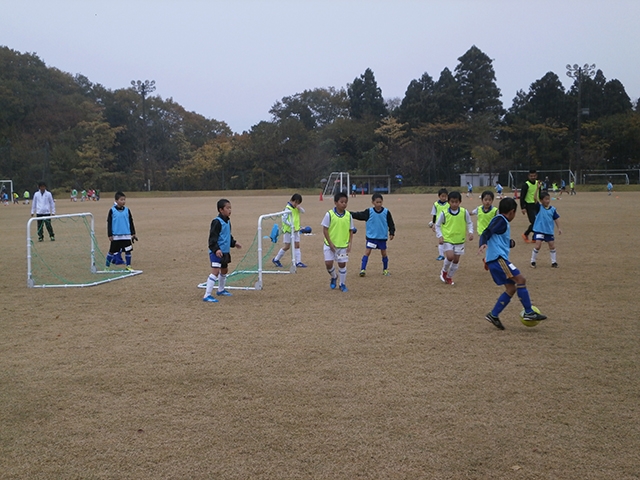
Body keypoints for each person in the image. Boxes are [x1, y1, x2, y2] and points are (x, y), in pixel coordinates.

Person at [478, 197, 548, 330]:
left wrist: (510, 243)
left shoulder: (500, 221)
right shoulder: (501, 220)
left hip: (495, 260)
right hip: (498, 260)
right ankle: (528, 312)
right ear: (512, 212)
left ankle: (494, 315)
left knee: (511, 288)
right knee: (521, 279)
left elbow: (497, 237)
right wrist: (482, 243)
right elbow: (487, 232)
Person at [203, 199, 242, 303]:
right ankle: (207, 295)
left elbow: (227, 236)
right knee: (215, 272)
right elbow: (212, 239)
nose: (230, 210)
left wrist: (234, 243)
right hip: (217, 252)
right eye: (227, 208)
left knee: (224, 270)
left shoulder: (228, 221)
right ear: (221, 210)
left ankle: (220, 290)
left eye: (230, 208)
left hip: (225, 252)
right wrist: (216, 249)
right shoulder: (216, 222)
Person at [351, 193, 396, 277]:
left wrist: (392, 232)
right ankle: (363, 269)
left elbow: (391, 223)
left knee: (384, 253)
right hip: (371, 237)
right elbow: (359, 215)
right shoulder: (369, 212)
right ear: (373, 202)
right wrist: (349, 213)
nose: (379, 204)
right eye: (377, 202)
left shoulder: (386, 212)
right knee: (367, 252)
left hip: (382, 237)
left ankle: (385, 269)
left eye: (380, 202)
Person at [435, 191, 473, 285]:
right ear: (449, 202)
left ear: (460, 202)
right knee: (450, 256)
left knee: (456, 260)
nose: (454, 204)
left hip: (459, 240)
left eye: (456, 202)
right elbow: (438, 225)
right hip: (448, 239)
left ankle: (449, 276)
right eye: (452, 202)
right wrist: (440, 236)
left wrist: (470, 232)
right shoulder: (444, 213)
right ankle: (444, 271)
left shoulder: (464, 212)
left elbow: (469, 222)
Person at [321, 191, 354, 292]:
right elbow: (325, 229)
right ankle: (334, 276)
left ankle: (342, 284)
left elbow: (351, 230)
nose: (344, 204)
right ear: (335, 202)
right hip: (329, 245)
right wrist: (330, 243)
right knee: (328, 263)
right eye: (342, 202)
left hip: (342, 246)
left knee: (342, 264)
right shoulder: (329, 214)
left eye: (345, 202)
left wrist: (349, 243)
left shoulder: (348, 215)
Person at [530, 184, 561, 268]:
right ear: (541, 200)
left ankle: (554, 262)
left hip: (549, 231)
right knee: (537, 246)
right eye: (546, 199)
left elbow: (556, 218)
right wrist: (537, 188)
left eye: (548, 199)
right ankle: (533, 261)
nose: (547, 201)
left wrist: (559, 228)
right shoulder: (539, 207)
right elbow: (534, 198)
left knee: (552, 246)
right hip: (539, 230)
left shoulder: (552, 209)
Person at [272, 193, 306, 268]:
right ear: (291, 200)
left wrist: (299, 208)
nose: (296, 204)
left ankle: (298, 262)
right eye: (295, 202)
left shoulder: (296, 208)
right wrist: (291, 225)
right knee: (287, 246)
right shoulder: (287, 208)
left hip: (296, 230)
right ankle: (276, 259)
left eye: (298, 203)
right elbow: (284, 219)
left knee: (297, 245)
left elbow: (303, 211)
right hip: (288, 231)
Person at [106, 192, 138, 271]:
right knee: (111, 251)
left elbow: (130, 221)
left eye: (124, 199)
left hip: (126, 235)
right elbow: (109, 223)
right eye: (121, 200)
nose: (123, 201)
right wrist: (110, 234)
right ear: (116, 200)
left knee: (128, 251)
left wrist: (133, 233)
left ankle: (128, 266)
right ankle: (106, 267)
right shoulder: (112, 211)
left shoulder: (127, 210)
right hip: (116, 235)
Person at [519, 169, 540, 244]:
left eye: (534, 176)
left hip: (537, 204)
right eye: (531, 176)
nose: (533, 177)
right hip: (529, 205)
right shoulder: (526, 185)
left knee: (539, 221)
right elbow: (522, 197)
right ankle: (525, 234)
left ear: (536, 176)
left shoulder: (538, 183)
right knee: (534, 222)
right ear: (528, 176)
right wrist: (523, 207)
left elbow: (539, 193)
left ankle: (535, 237)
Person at [429, 188, 449, 261]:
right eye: (442, 196)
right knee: (440, 240)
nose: (444, 198)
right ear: (439, 196)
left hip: (447, 224)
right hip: (439, 225)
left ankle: (448, 253)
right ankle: (441, 255)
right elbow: (434, 215)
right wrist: (433, 224)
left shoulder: (449, 204)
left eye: (445, 196)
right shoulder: (436, 204)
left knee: (447, 240)